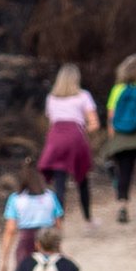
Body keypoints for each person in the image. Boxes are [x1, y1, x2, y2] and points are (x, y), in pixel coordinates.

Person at [39, 64, 99, 224]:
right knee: (82, 179)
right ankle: (88, 219)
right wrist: (83, 133)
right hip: (75, 139)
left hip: (56, 139)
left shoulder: (51, 98)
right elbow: (94, 123)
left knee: (60, 184)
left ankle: (59, 223)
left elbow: (51, 121)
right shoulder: (83, 96)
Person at [104, 54, 136, 223]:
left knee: (124, 172)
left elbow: (111, 117)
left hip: (121, 138)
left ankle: (123, 205)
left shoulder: (117, 90)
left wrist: (112, 141)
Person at [0, 167, 64, 271]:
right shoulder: (50, 196)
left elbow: (10, 230)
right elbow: (58, 226)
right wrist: (58, 248)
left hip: (26, 242)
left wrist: (4, 260)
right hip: (47, 240)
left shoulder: (16, 199)